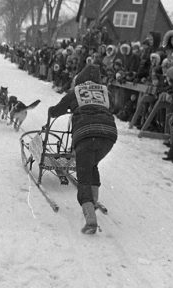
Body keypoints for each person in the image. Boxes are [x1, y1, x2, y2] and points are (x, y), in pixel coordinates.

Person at [48, 64, 118, 234]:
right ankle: (93, 200)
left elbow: (57, 111)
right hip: (108, 135)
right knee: (92, 164)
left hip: (86, 134)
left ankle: (90, 219)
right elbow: (115, 108)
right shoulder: (106, 92)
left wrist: (52, 111)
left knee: (84, 174)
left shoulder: (76, 91)